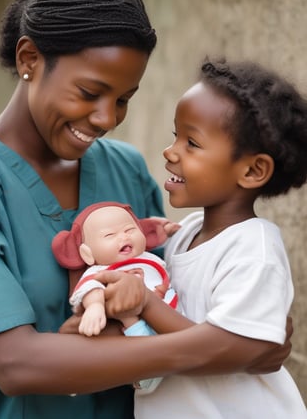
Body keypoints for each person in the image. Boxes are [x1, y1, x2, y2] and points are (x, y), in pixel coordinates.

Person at [0, 0, 293, 418]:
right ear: (30, 60)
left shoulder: (125, 169)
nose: (107, 119)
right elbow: (15, 364)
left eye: (123, 100)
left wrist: (250, 326)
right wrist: (222, 348)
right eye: (88, 93)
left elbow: (170, 298)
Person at [131, 59, 307, 418]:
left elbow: (225, 347)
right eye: (174, 136)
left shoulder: (253, 249)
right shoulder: (185, 235)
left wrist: (146, 305)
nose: (171, 152)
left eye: (191, 143)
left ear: (252, 170)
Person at [52, 201, 179, 393]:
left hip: (170, 315)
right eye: (110, 235)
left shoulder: (151, 258)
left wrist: (166, 231)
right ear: (87, 253)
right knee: (141, 344)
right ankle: (144, 377)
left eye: (129, 229)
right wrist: (94, 306)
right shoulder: (101, 269)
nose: (123, 237)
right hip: (134, 322)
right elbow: (89, 287)